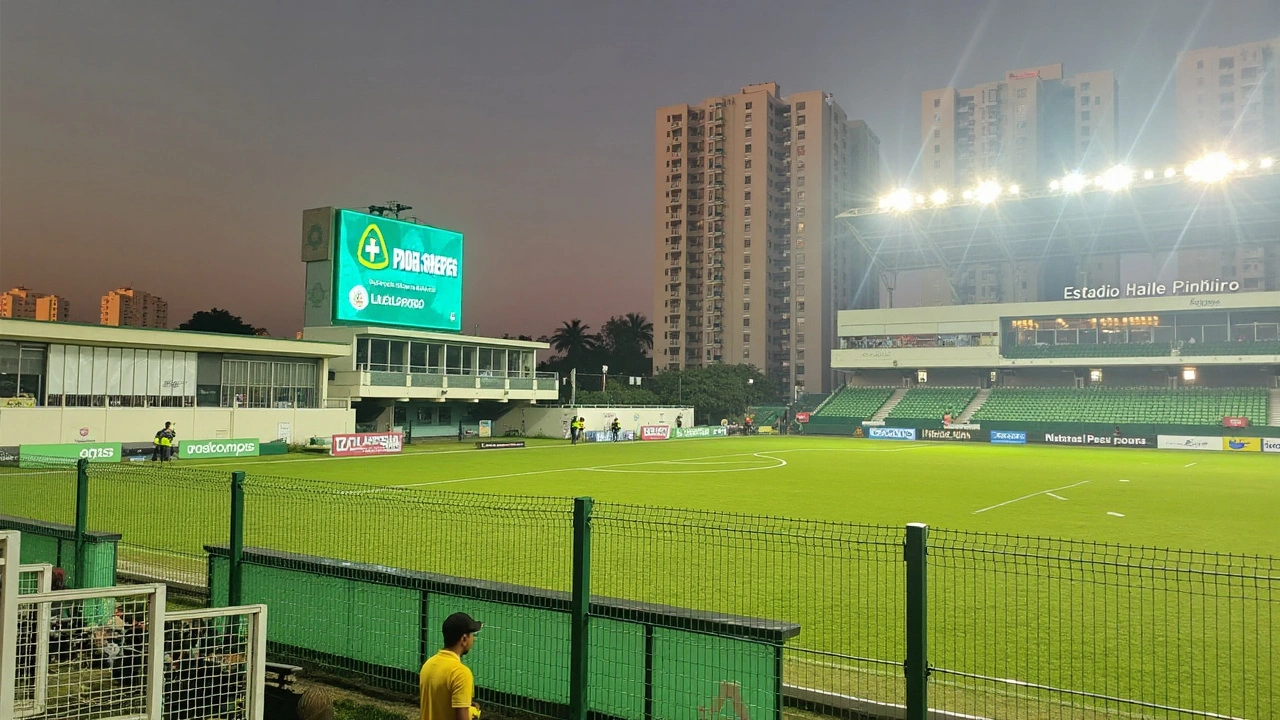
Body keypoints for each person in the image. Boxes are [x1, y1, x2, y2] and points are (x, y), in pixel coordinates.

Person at [421, 612, 483, 720]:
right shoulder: (461, 674)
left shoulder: (428, 665)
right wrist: (472, 713)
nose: (473, 639)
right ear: (464, 639)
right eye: (473, 635)